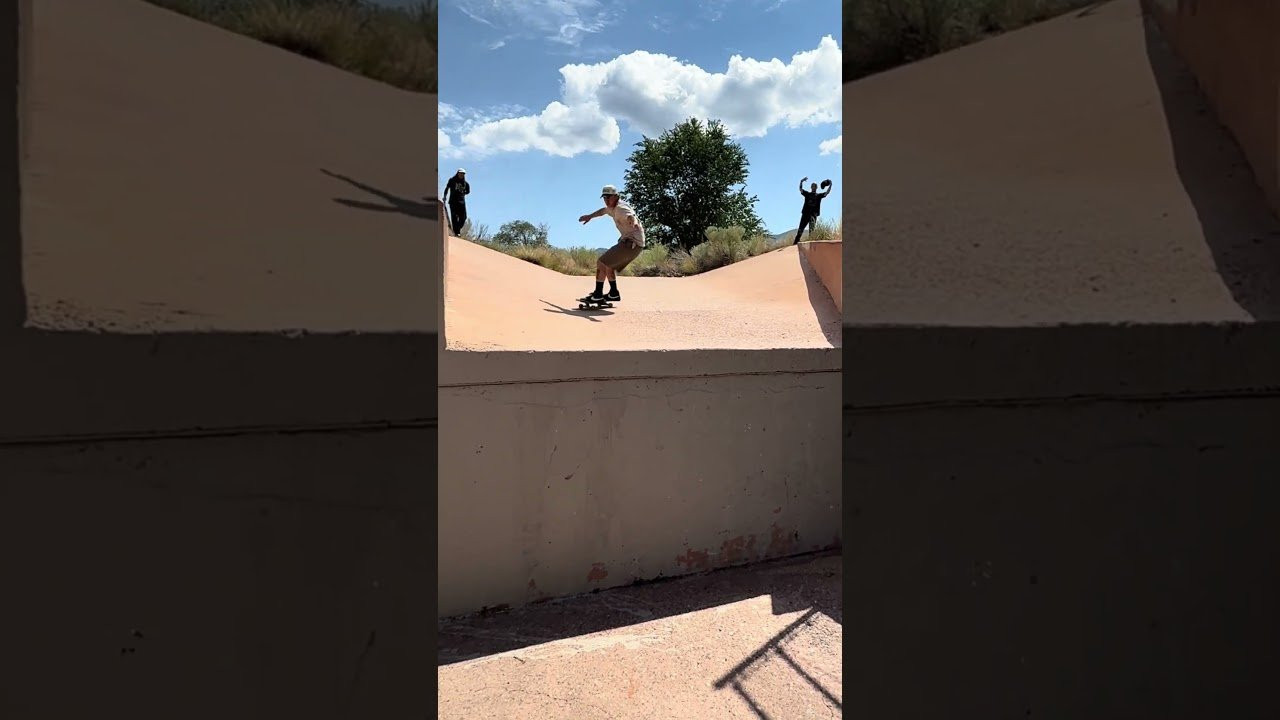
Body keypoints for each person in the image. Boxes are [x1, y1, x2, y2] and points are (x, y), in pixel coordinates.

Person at [577, 184, 645, 303]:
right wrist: (590, 216)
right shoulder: (612, 208)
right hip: (631, 243)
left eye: (609, 197)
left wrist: (633, 222)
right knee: (609, 266)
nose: (606, 200)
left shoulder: (621, 208)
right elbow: (602, 211)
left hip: (632, 243)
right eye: (604, 198)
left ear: (616, 196)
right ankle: (613, 294)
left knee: (601, 262)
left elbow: (630, 215)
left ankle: (598, 294)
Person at [794, 176, 832, 244]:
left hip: (813, 215)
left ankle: (810, 245)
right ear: (811, 187)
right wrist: (801, 181)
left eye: (815, 186)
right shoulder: (807, 194)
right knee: (800, 229)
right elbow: (800, 189)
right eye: (812, 186)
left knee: (812, 232)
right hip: (805, 214)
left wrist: (831, 184)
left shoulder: (819, 195)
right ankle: (795, 244)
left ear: (817, 187)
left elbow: (827, 193)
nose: (813, 187)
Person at [443, 168, 470, 236]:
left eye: (463, 174)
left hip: (461, 202)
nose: (462, 174)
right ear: (457, 173)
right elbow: (447, 188)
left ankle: (457, 229)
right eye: (460, 173)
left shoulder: (465, 183)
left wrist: (464, 192)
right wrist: (445, 196)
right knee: (454, 217)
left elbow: (468, 191)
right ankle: (456, 232)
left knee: (464, 217)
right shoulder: (452, 180)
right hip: (453, 201)